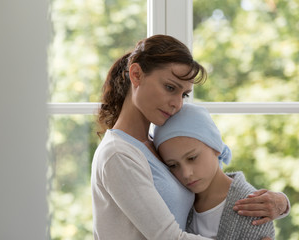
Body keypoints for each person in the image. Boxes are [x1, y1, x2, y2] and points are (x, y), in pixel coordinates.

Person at [91, 34, 289, 240]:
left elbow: (210, 178)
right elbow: (170, 237)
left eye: (183, 94)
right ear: (136, 75)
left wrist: (280, 203)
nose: (177, 103)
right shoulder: (117, 155)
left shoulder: (155, 144)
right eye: (170, 88)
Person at [153, 103, 277, 239]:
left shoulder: (253, 208)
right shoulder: (179, 202)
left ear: (216, 146)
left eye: (192, 158)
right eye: (173, 165)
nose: (186, 173)